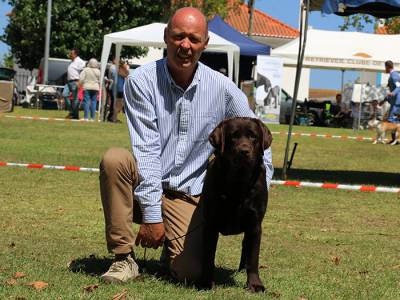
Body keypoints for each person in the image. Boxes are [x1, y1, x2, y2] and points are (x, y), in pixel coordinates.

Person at [99, 7, 273, 284]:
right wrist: (153, 216)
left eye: (193, 39)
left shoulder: (224, 89)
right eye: (178, 36)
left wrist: (260, 189)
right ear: (166, 37)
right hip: (145, 183)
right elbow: (146, 150)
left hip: (189, 195)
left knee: (191, 274)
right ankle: (123, 259)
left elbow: (258, 137)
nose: (185, 46)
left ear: (205, 44)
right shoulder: (141, 81)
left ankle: (172, 249)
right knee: (115, 159)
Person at [67, 48, 85, 119]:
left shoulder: (79, 61)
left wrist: (80, 81)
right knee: (65, 94)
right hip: (69, 82)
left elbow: (84, 69)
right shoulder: (72, 61)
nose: (70, 54)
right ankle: (72, 112)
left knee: (75, 99)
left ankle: (75, 115)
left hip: (75, 81)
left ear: (75, 54)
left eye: (71, 53)